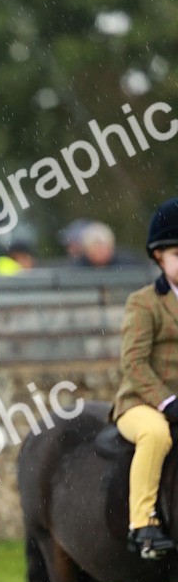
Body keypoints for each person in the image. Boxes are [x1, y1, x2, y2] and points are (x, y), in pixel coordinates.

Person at [112, 197, 178, 559]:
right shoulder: (144, 302)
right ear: (159, 257)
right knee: (156, 433)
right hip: (142, 402)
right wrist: (168, 400)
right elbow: (134, 363)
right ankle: (143, 526)